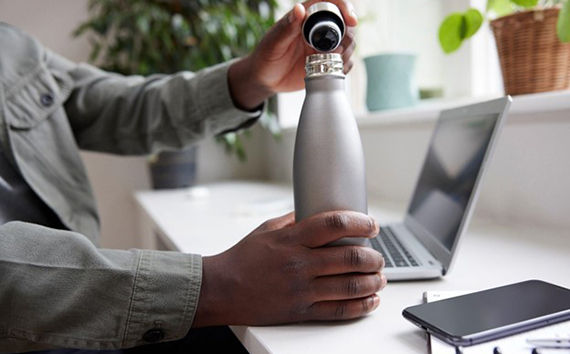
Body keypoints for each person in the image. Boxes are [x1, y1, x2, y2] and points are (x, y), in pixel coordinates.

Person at [0, 1, 386, 353]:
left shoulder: (10, 46)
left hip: (88, 308)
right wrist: (216, 284)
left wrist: (253, 78)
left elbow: (122, 106)